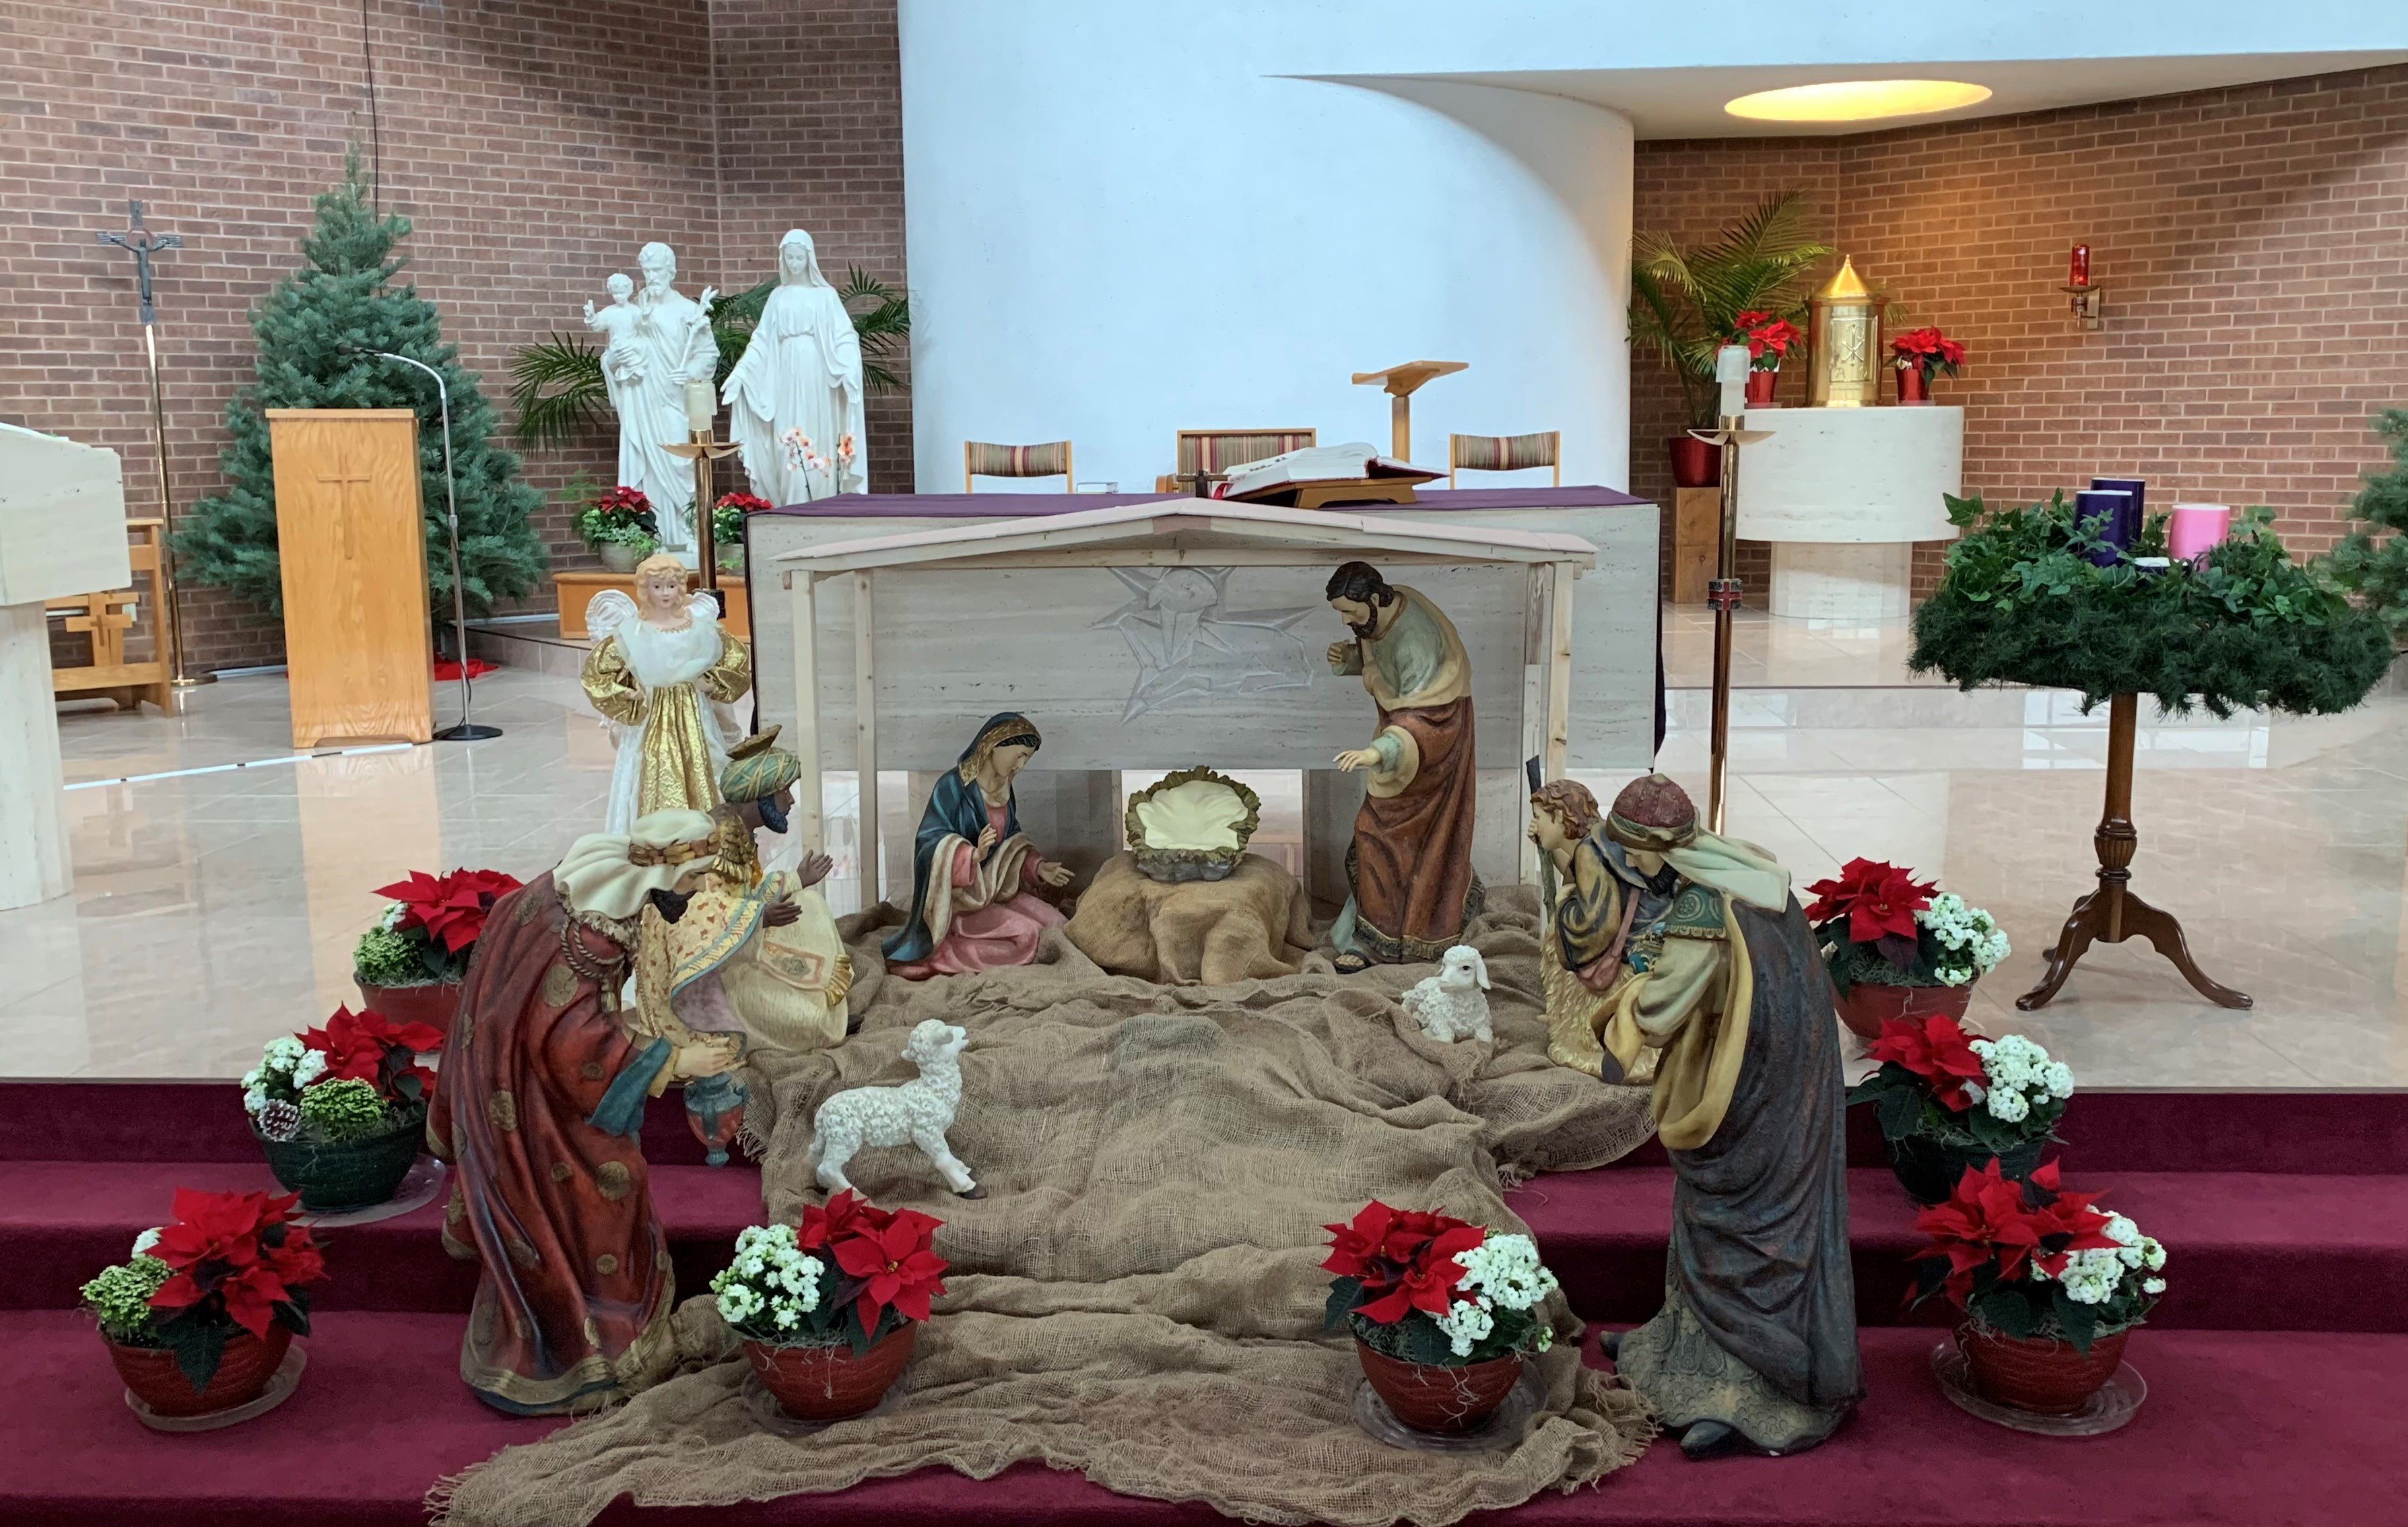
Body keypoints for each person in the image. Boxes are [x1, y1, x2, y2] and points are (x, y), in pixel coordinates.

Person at [1534, 773, 1859, 1458]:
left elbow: (1659, 1010)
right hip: (1787, 1074)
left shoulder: (1703, 909)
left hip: (1745, 1097)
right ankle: (1677, 1349)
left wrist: (1612, 1015)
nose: (1633, 869)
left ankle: (1748, 1391)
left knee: (1743, 1232)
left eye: (1633, 856)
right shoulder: (1749, 870)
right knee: (1712, 1216)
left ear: (1653, 850)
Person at [429, 813, 739, 1415]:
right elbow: (575, 1046)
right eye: (695, 879)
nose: (699, 892)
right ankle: (593, 1346)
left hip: (509, 1082)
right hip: (543, 1108)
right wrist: (674, 1062)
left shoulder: (568, 889)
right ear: (663, 873)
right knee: (600, 1198)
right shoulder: (591, 940)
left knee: (551, 1213)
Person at [1323, 560, 1481, 972]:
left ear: (1374, 599)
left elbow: (1427, 722)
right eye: (1341, 613)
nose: (1347, 621)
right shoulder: (1385, 616)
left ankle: (1384, 940)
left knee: (1378, 835)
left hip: (1427, 759)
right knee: (1389, 841)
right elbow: (1393, 674)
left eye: (1351, 613)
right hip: (1405, 744)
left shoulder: (1418, 642)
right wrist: (1355, 659)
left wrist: (1377, 754)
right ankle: (1378, 930)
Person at [882, 712, 1076, 979]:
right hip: (961, 902)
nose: (1021, 766)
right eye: (1019, 755)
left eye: (1027, 759)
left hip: (995, 890)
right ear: (994, 745)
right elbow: (929, 842)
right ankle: (946, 956)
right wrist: (971, 855)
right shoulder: (952, 787)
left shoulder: (1005, 790)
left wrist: (1038, 868)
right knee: (1028, 934)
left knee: (1057, 923)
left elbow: (1011, 843)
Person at [581, 553, 751, 833]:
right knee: (653, 764)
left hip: (693, 710)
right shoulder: (634, 630)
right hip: (653, 714)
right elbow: (600, 673)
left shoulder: (697, 625)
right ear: (645, 590)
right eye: (657, 587)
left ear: (681, 588)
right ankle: (655, 835)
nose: (665, 593)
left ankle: (704, 832)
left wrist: (711, 682)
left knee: (700, 761)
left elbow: (731, 657)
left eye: (671, 586)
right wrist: (628, 694)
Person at [723, 228, 868, 503]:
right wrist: (740, 373)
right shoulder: (778, 296)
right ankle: (790, 502)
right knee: (787, 435)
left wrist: (849, 369)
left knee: (817, 434)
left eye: (798, 258)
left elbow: (846, 336)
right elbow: (761, 340)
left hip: (818, 374)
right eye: (789, 258)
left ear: (809, 258)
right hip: (784, 376)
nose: (793, 263)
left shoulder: (826, 296)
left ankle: (822, 501)